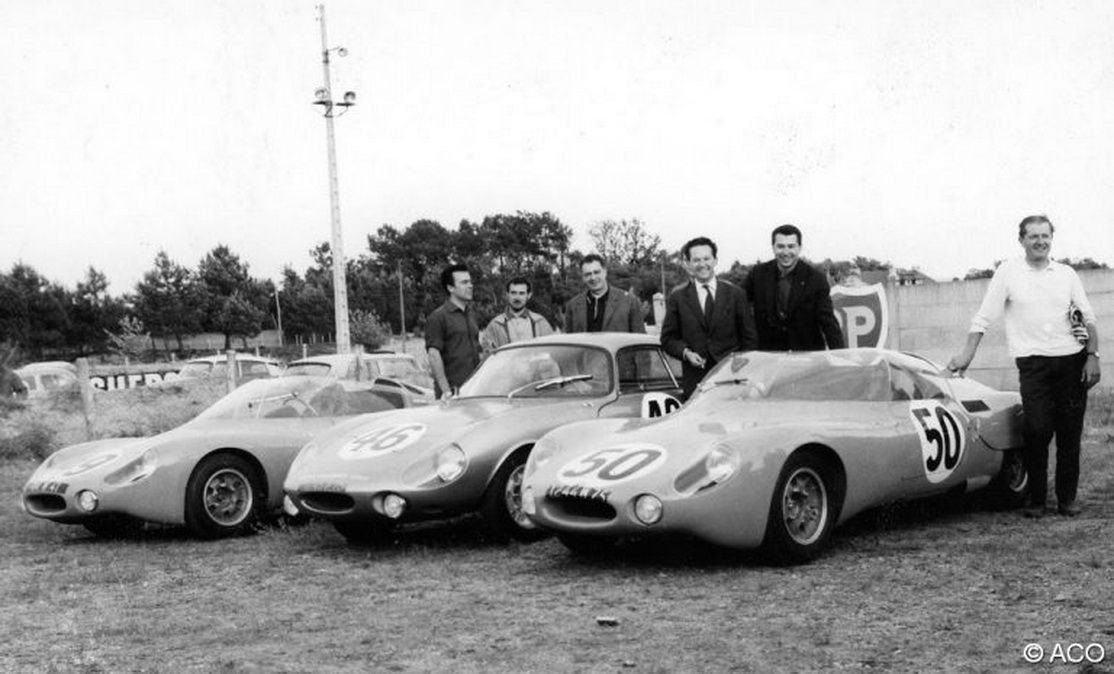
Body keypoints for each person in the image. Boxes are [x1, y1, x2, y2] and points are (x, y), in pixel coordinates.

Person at [947, 215, 1101, 518]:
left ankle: (1067, 499)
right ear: (1022, 240)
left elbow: (1088, 316)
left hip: (1071, 361)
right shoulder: (1008, 272)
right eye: (1033, 236)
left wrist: (1093, 357)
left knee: (1070, 434)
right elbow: (984, 316)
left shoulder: (1066, 273)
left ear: (1051, 239)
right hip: (1033, 365)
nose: (1040, 242)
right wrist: (967, 353)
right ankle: (1036, 499)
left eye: (1045, 236)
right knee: (1037, 429)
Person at [661, 237, 758, 397]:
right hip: (696, 384)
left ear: (715, 260)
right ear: (688, 263)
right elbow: (668, 339)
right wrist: (686, 353)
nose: (702, 264)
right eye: (696, 260)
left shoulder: (736, 294)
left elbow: (750, 339)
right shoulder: (678, 298)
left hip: (733, 381)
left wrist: (739, 363)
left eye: (706, 258)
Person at [744, 224, 844, 351]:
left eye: (791, 246)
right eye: (780, 246)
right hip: (768, 359)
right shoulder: (757, 274)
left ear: (799, 248)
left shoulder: (816, 279)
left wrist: (841, 360)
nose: (786, 252)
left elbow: (829, 324)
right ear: (773, 247)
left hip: (806, 359)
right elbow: (739, 308)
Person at [425, 263, 481, 399]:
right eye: (464, 282)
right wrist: (446, 391)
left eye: (470, 281)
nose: (470, 285)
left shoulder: (471, 315)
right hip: (453, 393)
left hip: (474, 390)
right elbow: (433, 355)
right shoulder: (438, 317)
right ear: (450, 288)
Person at [563, 254, 646, 333]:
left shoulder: (629, 302)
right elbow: (568, 342)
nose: (593, 278)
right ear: (583, 277)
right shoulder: (572, 306)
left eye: (596, 272)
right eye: (588, 274)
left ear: (605, 272)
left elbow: (640, 340)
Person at [480, 277, 554, 353]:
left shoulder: (540, 322)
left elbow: (551, 352)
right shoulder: (495, 325)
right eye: (513, 293)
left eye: (521, 293)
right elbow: (488, 356)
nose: (517, 297)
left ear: (529, 295)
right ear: (507, 294)